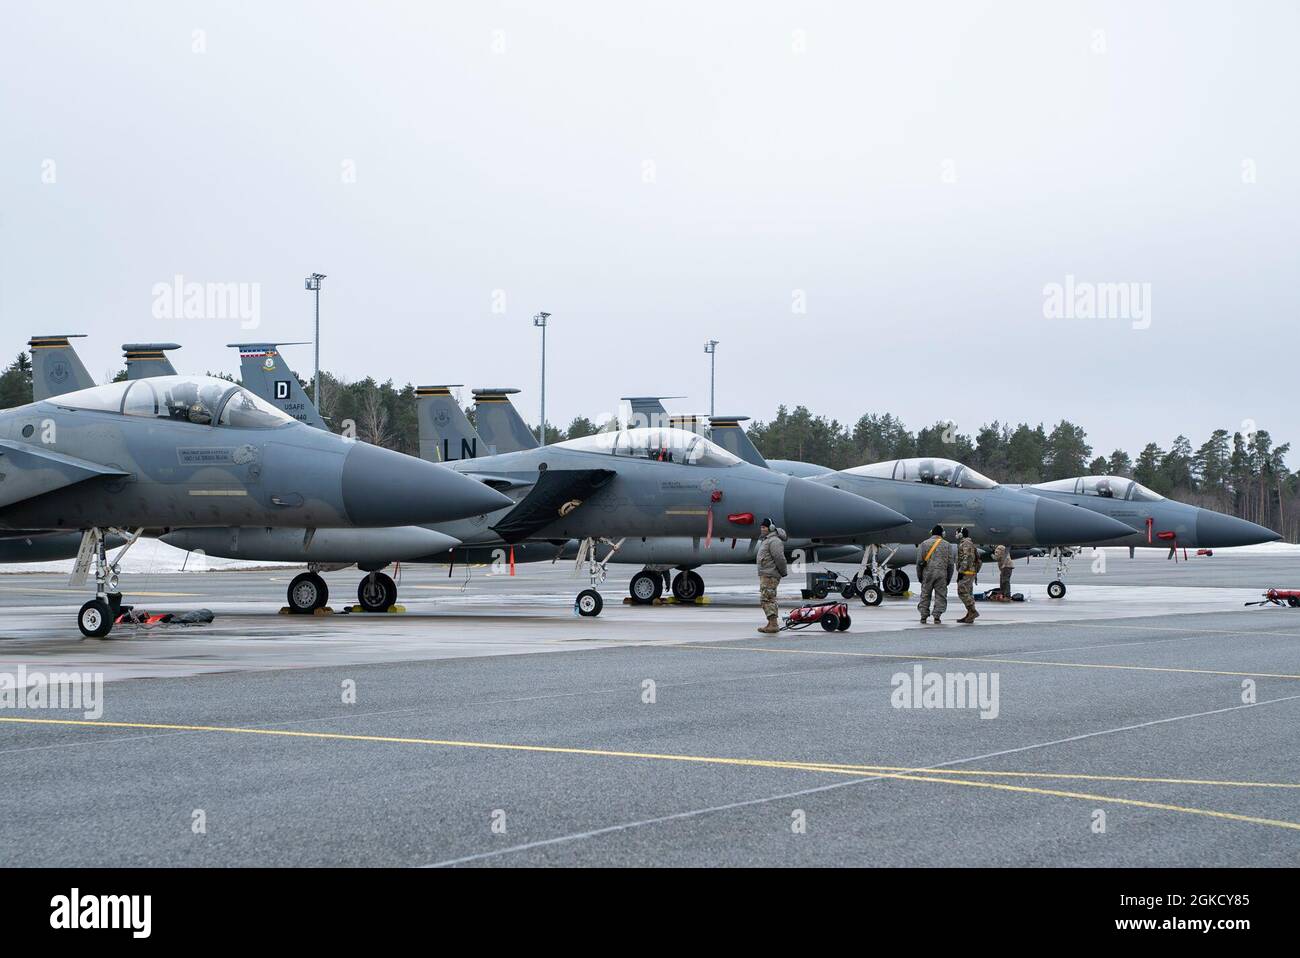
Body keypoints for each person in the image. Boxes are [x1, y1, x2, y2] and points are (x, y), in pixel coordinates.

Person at [755, 517, 789, 634]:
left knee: (767, 598)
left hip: (770, 575)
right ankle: (771, 623)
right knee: (767, 598)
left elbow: (779, 558)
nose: (762, 529)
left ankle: (773, 624)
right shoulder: (767, 540)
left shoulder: (774, 541)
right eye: (761, 527)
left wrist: (783, 572)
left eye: (764, 527)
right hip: (766, 573)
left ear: (771, 528)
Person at [916, 524, 952, 625]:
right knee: (940, 595)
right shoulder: (947, 545)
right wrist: (948, 577)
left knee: (925, 594)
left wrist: (919, 576)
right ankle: (937, 616)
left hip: (927, 574)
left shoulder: (924, 544)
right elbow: (950, 564)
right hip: (942, 574)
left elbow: (919, 562)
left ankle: (923, 616)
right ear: (942, 534)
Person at [956, 527, 982, 623]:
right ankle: (969, 614)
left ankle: (973, 611)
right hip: (970, 572)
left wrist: (961, 571)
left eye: (957, 532)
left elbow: (967, 558)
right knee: (968, 593)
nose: (956, 534)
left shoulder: (966, 543)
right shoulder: (967, 543)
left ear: (961, 533)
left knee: (962, 592)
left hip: (967, 572)